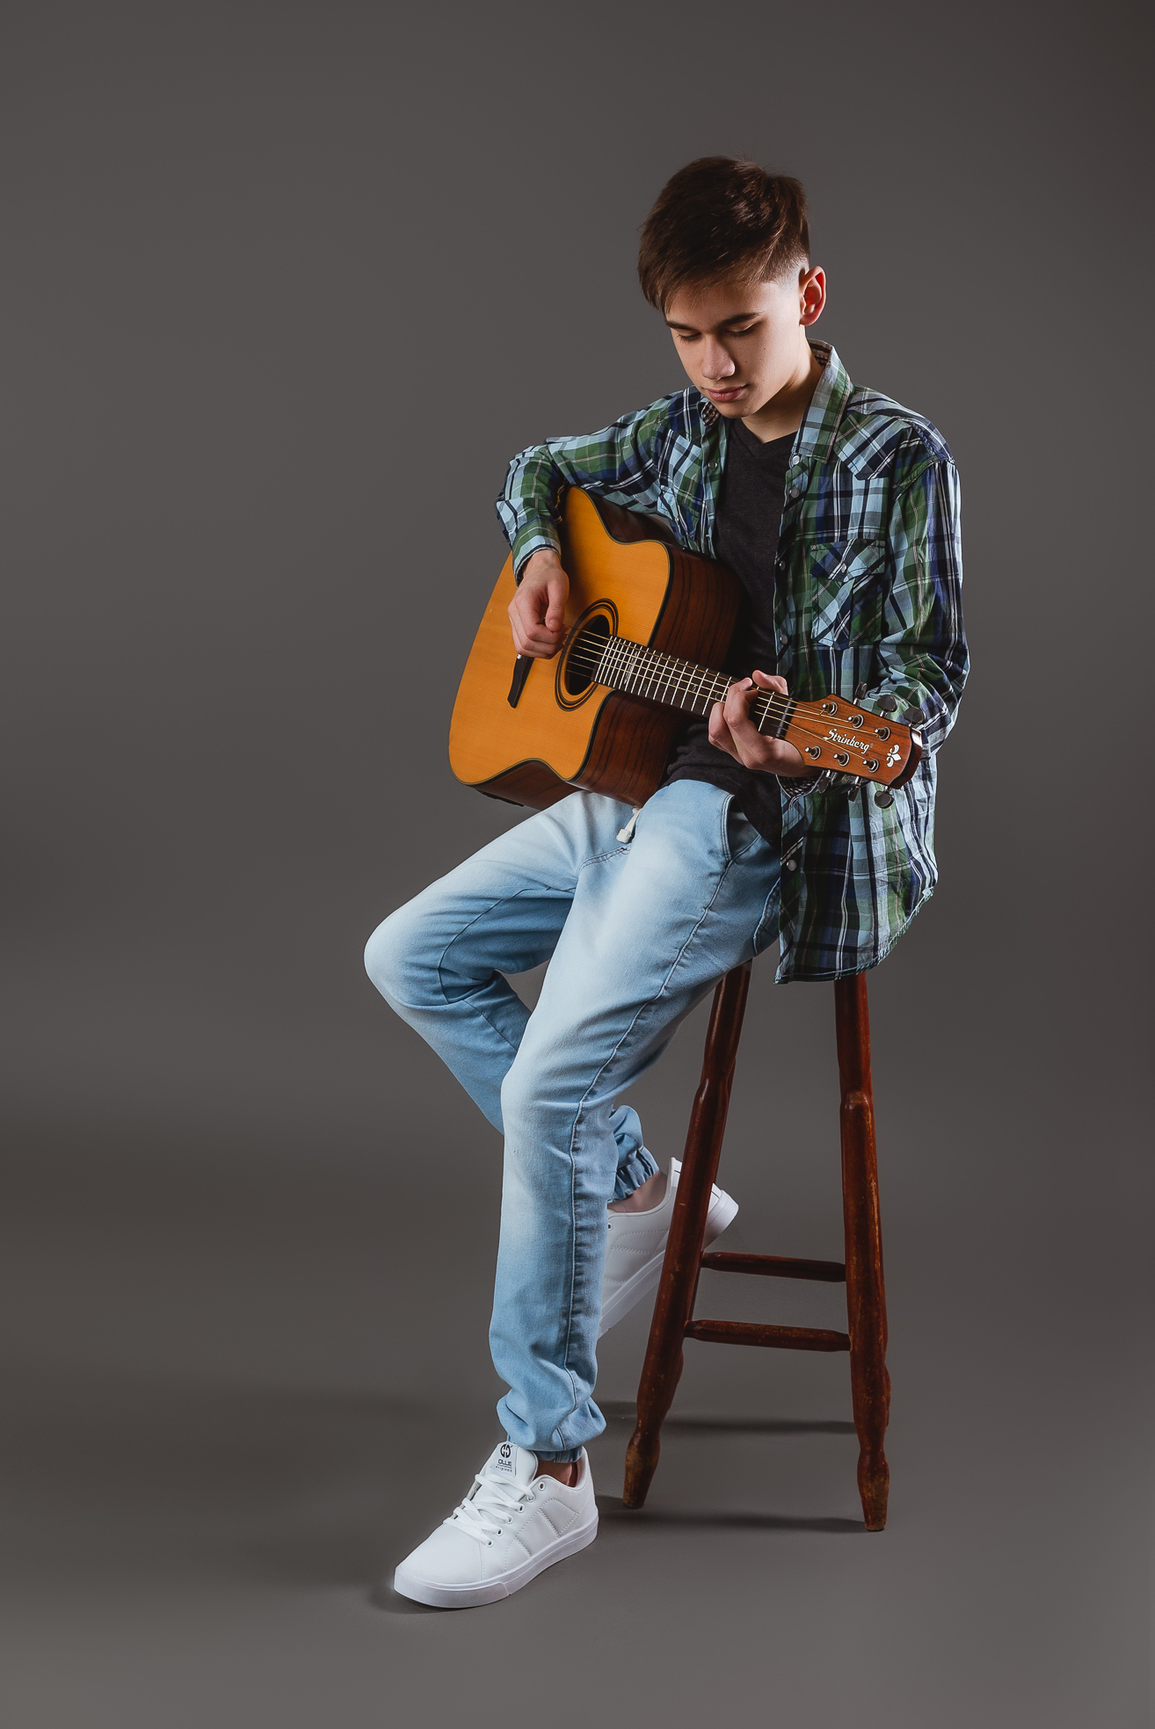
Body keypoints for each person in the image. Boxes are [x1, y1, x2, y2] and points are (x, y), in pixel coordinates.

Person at [364, 157, 968, 1608]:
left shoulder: (898, 457)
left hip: (760, 816)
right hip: (637, 780)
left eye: (740, 329)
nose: (714, 366)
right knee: (410, 956)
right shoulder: (680, 428)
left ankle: (549, 1462)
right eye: (688, 335)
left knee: (546, 1089)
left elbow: (927, 680)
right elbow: (537, 468)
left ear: (807, 293)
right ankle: (638, 1193)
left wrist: (806, 742)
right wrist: (539, 558)